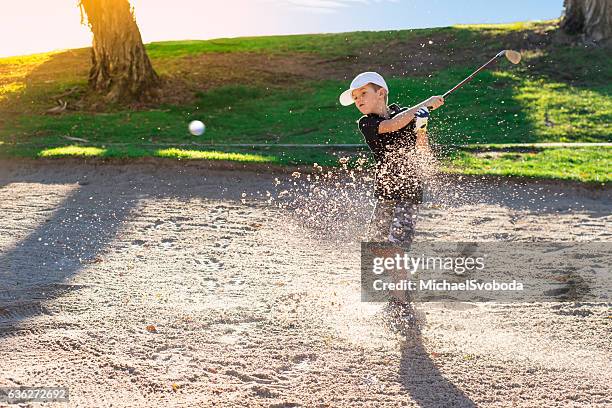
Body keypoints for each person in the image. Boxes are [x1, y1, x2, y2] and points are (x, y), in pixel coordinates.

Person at [339, 71, 444, 304]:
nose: (359, 101)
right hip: (385, 193)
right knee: (376, 245)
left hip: (409, 192)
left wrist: (421, 128)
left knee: (397, 248)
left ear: (381, 93)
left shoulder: (405, 115)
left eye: (363, 94)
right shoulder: (367, 122)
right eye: (355, 98)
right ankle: (403, 284)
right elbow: (392, 125)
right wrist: (424, 104)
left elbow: (422, 151)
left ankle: (400, 299)